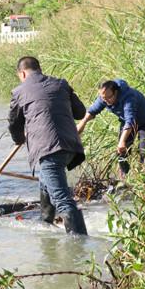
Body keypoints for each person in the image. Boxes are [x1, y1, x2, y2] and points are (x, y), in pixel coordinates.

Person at [8, 57, 88, 235]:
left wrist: (19, 138)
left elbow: (14, 123)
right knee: (45, 185)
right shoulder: (61, 84)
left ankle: (80, 244)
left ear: (22, 73)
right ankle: (46, 225)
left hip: (48, 149)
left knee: (62, 200)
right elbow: (80, 112)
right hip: (70, 146)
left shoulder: (19, 91)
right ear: (39, 69)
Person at [77, 79, 145, 179]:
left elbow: (130, 120)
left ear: (116, 92)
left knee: (144, 151)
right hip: (126, 121)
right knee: (121, 151)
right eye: (103, 98)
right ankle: (125, 177)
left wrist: (122, 141)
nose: (105, 101)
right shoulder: (105, 97)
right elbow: (92, 111)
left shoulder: (128, 97)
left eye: (108, 98)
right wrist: (82, 123)